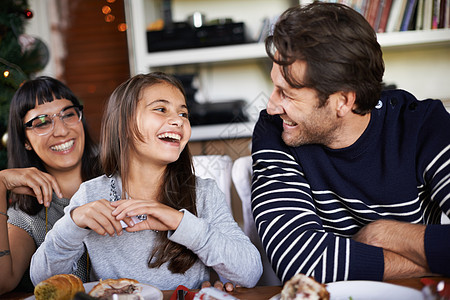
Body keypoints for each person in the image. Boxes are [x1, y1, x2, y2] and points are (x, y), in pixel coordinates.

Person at [251, 2, 450, 284]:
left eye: (287, 94)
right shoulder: (275, 131)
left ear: (343, 101)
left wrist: (386, 234)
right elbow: (297, 263)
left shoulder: (423, 126)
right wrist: (431, 261)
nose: (271, 106)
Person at [30, 72, 262, 290]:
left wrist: (179, 222)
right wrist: (73, 223)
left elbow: (250, 273)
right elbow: (43, 281)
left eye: (183, 114)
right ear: (124, 125)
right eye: (161, 109)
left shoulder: (202, 192)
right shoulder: (91, 194)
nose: (178, 121)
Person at [0, 76, 101, 294]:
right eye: (42, 123)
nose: (62, 131)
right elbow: (2, 282)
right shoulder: (26, 216)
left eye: (68, 115)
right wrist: (0, 183)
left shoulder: (121, 178)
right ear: (25, 141)